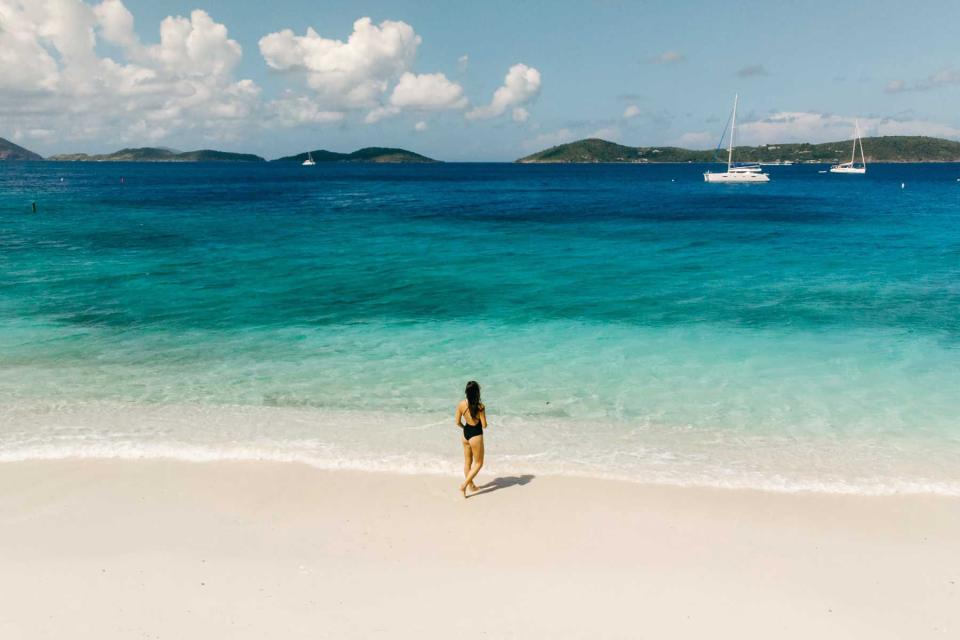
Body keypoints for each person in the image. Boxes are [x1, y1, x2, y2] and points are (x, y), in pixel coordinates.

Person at [455, 380, 487, 497]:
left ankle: (471, 486)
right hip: (476, 434)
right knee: (479, 463)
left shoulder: (461, 404)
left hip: (465, 433)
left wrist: (465, 427)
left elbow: (457, 422)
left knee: (468, 462)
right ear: (477, 393)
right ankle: (464, 485)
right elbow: (484, 425)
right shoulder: (480, 407)